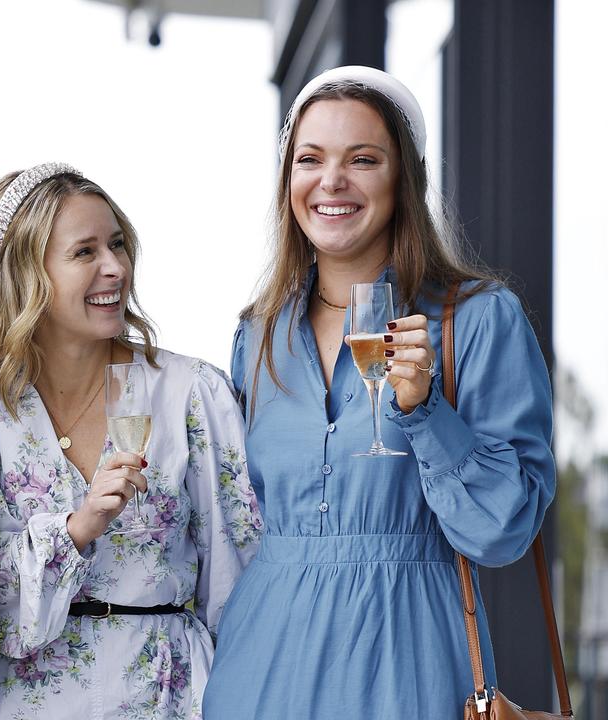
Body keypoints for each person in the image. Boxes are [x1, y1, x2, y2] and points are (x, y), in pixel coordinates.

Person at [202, 66, 556, 717]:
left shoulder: (479, 318)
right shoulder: (257, 335)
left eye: (362, 159)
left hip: (407, 661)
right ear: (289, 182)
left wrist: (426, 413)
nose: (331, 180)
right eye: (310, 159)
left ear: (404, 179)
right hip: (262, 666)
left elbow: (504, 530)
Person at [0, 163, 261, 720]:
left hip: (163, 698)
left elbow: (238, 578)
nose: (115, 268)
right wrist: (74, 530)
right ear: (23, 273)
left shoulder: (191, 393)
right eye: (85, 252)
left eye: (117, 245)